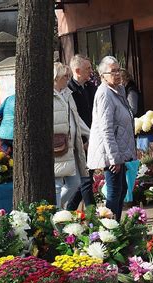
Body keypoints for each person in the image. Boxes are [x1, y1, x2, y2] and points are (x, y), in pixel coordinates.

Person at [87, 56, 136, 221]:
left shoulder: (118, 90)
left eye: (118, 70)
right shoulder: (104, 94)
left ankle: (115, 226)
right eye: (112, 71)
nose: (117, 74)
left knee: (121, 190)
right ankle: (108, 231)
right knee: (115, 192)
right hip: (110, 154)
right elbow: (106, 128)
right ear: (102, 76)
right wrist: (114, 157)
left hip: (118, 152)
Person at [53, 62, 90, 208]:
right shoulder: (49, 96)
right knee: (57, 183)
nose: (67, 79)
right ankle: (54, 213)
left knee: (75, 182)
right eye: (65, 76)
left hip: (72, 145)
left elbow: (76, 118)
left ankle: (55, 209)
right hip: (58, 145)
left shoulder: (67, 94)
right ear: (56, 77)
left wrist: (90, 133)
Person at [66, 54, 97, 211]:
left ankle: (69, 209)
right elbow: (74, 119)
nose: (91, 71)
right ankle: (93, 214)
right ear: (77, 71)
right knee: (85, 180)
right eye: (87, 68)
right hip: (81, 140)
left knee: (87, 178)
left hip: (93, 137)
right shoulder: (69, 91)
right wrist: (83, 139)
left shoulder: (91, 87)